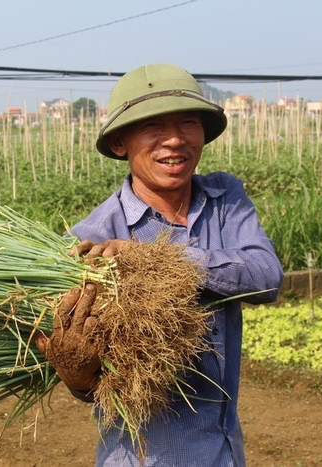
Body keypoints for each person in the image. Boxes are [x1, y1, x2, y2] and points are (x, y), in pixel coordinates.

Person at [36, 63, 284, 466]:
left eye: (188, 122)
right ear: (120, 143)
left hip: (225, 452)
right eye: (154, 126)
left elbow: (266, 276)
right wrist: (77, 375)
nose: (175, 140)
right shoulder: (90, 244)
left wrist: (157, 261)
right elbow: (89, 381)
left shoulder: (225, 199)